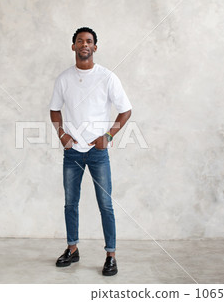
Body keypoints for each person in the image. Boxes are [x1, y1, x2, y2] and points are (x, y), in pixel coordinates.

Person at [49, 27, 132, 276]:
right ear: (73, 46)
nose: (84, 44)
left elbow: (125, 110)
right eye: (79, 41)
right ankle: (72, 249)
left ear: (95, 47)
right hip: (72, 151)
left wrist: (108, 136)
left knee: (105, 204)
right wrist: (62, 134)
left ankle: (110, 255)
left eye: (89, 41)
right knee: (70, 204)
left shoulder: (107, 77)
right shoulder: (64, 79)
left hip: (98, 153)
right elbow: (54, 109)